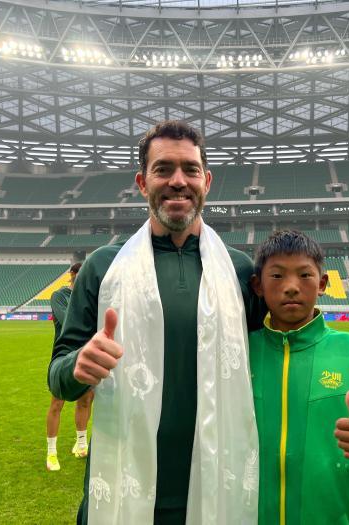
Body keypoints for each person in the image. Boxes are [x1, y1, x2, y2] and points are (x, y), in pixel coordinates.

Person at [48, 120, 263, 524]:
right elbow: (58, 375)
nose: (178, 181)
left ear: (206, 181)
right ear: (142, 182)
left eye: (190, 169)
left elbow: (277, 357)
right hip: (122, 487)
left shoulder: (239, 270)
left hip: (217, 487)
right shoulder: (103, 267)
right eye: (163, 169)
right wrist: (79, 365)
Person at [249, 230, 349, 524]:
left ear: (322, 284)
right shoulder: (240, 353)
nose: (291, 287)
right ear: (258, 285)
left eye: (304, 275)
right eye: (277, 276)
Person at [45, 262, 94, 472]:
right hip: (64, 355)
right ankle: (51, 453)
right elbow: (68, 322)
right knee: (57, 403)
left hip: (85, 355)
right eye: (80, 274)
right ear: (72, 274)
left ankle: (81, 444)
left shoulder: (89, 297)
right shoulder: (60, 296)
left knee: (86, 400)